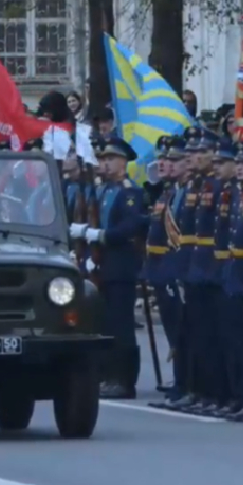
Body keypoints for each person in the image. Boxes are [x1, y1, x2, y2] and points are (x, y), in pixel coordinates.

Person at [78, 136, 145, 399]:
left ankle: (124, 380)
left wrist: (101, 236)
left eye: (110, 159)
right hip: (101, 266)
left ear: (123, 162)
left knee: (121, 326)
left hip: (120, 265)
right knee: (103, 324)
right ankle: (106, 374)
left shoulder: (130, 192)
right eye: (103, 159)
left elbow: (131, 226)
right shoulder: (103, 191)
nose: (104, 164)